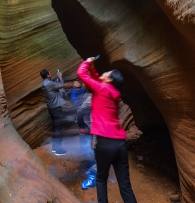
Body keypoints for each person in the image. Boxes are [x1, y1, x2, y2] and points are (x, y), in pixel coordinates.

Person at [77, 58, 137, 203]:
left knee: (101, 179)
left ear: (109, 80)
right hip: (120, 144)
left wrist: (87, 62)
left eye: (107, 73)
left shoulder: (101, 88)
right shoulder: (112, 92)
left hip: (104, 142)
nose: (104, 72)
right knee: (125, 185)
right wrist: (93, 68)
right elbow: (98, 81)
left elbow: (81, 74)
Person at [40, 68, 74, 156]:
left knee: (55, 128)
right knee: (59, 129)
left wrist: (58, 80)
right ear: (48, 75)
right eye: (50, 73)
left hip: (51, 108)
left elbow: (56, 86)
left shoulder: (44, 83)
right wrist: (60, 77)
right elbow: (62, 85)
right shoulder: (49, 83)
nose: (50, 74)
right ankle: (58, 149)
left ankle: (55, 147)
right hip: (56, 108)